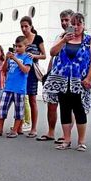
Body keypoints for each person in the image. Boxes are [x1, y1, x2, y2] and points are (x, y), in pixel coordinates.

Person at [44, 12, 91, 151]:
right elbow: (52, 52)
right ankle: (66, 140)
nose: (76, 27)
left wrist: (89, 77)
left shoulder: (88, 39)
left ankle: (81, 141)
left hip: (79, 80)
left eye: (79, 24)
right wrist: (63, 41)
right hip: (62, 80)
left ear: (84, 25)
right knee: (65, 109)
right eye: (74, 24)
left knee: (79, 110)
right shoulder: (63, 37)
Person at [38, 9, 74, 142]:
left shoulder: (80, 36)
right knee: (51, 104)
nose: (64, 23)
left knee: (68, 106)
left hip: (70, 76)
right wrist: (47, 74)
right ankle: (51, 131)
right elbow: (53, 54)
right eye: (62, 20)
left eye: (67, 20)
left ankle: (66, 135)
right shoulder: (59, 36)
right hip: (54, 74)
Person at [0, 36, 32, 137]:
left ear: (25, 46)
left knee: (19, 110)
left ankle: (15, 130)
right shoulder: (12, 56)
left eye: (20, 46)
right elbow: (4, 70)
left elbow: (26, 70)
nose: (17, 48)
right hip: (8, 87)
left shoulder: (27, 57)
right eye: (16, 46)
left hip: (19, 88)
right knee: (2, 108)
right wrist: (7, 59)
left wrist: (15, 59)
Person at [20, 16, 46, 138]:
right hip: (22, 71)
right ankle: (19, 124)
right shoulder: (22, 39)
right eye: (22, 26)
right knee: (20, 99)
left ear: (31, 26)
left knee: (32, 100)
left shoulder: (38, 38)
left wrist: (34, 56)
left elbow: (44, 55)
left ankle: (34, 128)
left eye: (26, 26)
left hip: (32, 72)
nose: (24, 29)